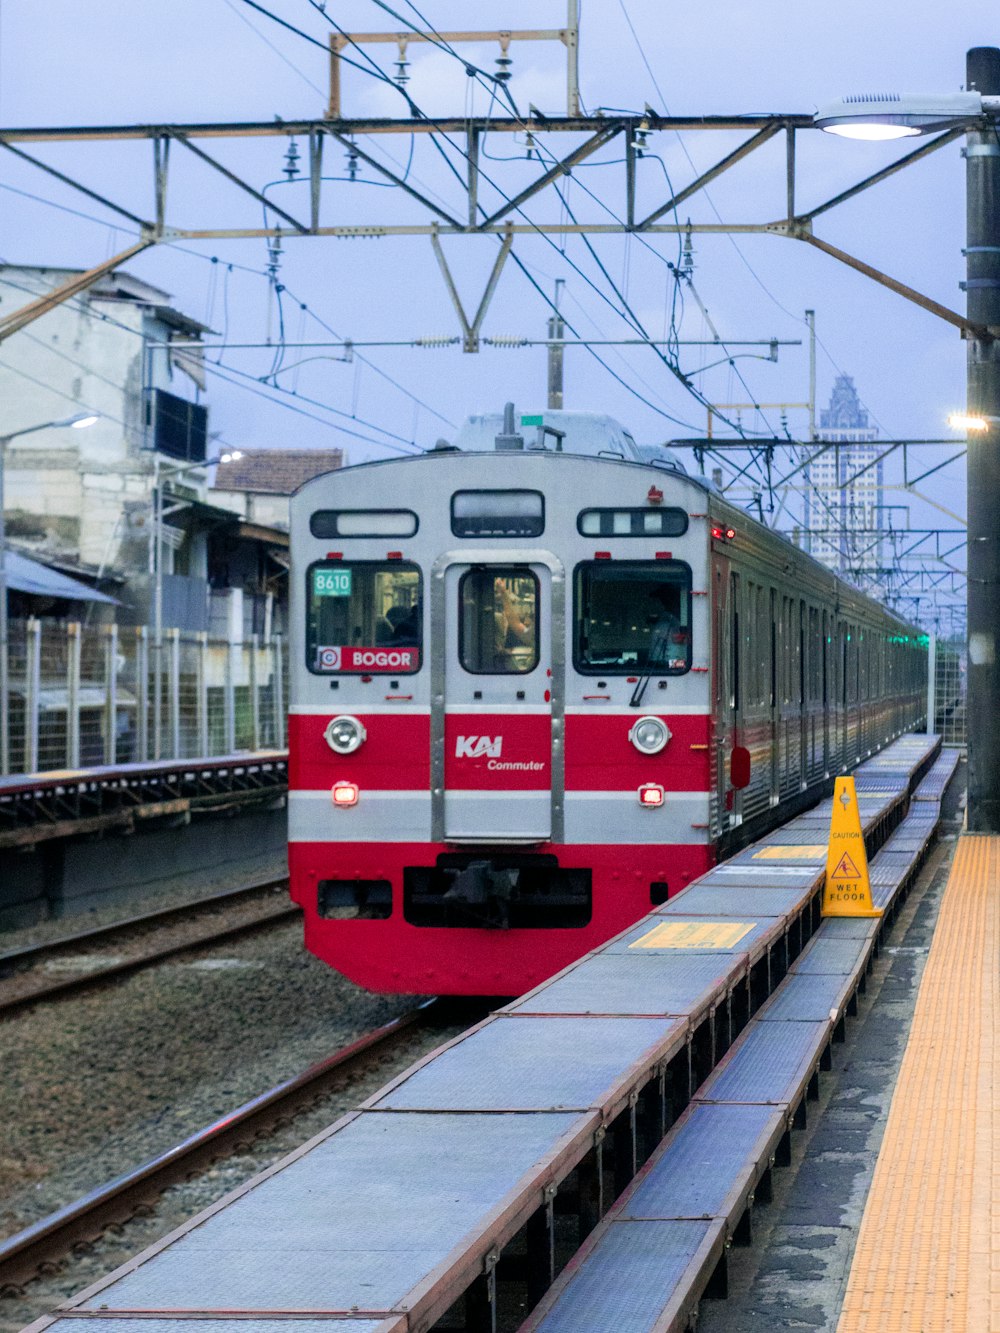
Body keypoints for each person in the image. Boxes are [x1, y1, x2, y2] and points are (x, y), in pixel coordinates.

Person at [645, 585, 686, 669]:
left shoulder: (667, 626)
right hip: (660, 668)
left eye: (655, 602)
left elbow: (675, 659)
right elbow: (675, 660)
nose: (650, 607)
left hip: (661, 668)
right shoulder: (666, 626)